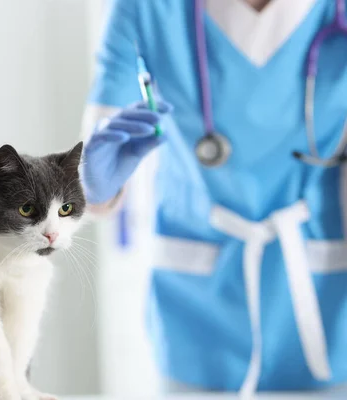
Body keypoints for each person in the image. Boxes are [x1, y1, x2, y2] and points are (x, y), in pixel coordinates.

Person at [81, 0, 347, 395]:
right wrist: (93, 184)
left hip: (324, 294)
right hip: (193, 306)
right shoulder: (146, 8)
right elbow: (93, 162)